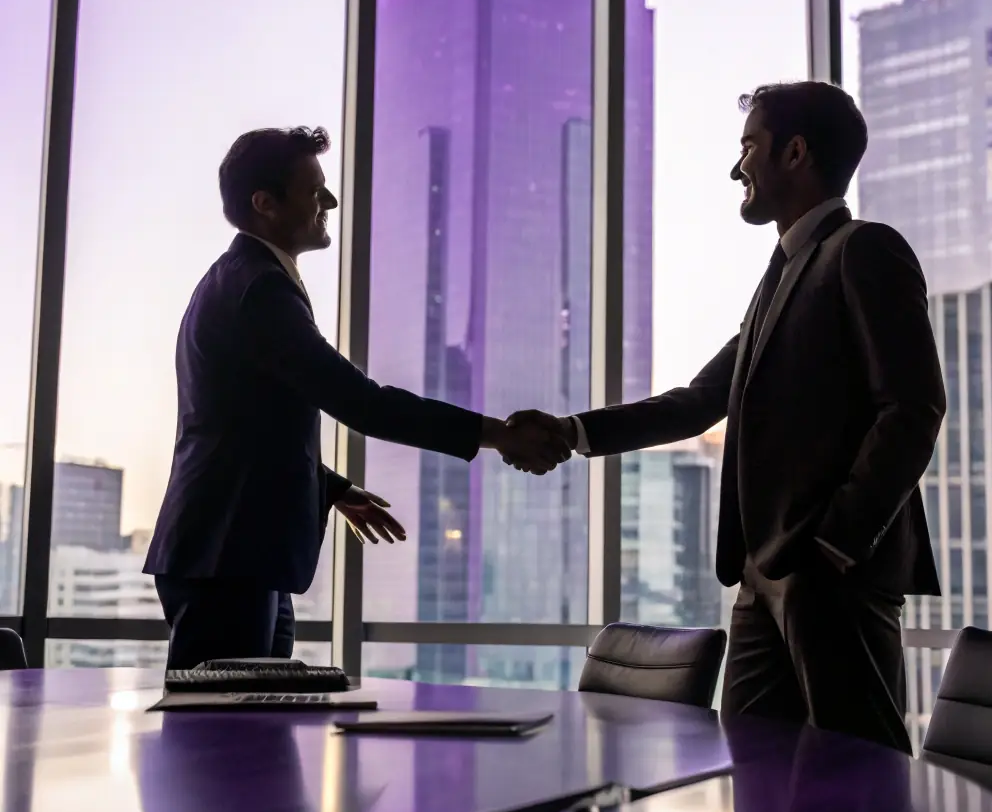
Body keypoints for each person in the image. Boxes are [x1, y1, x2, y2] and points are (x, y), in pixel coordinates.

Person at [508, 81, 945, 752]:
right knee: (757, 772)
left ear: (794, 152)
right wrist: (572, 432)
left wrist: (834, 543)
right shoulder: (782, 277)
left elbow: (914, 407)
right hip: (762, 574)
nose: (738, 166)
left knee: (865, 776)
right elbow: (697, 399)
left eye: (750, 146)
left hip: (831, 574)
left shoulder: (864, 250)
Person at [145, 125, 566, 669]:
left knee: (249, 738)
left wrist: (331, 488)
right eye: (314, 189)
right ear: (266, 204)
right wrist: (499, 434)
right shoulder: (260, 289)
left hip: (237, 551)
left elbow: (246, 427)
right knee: (222, 739)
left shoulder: (243, 280)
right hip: (227, 555)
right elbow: (361, 402)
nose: (330, 201)